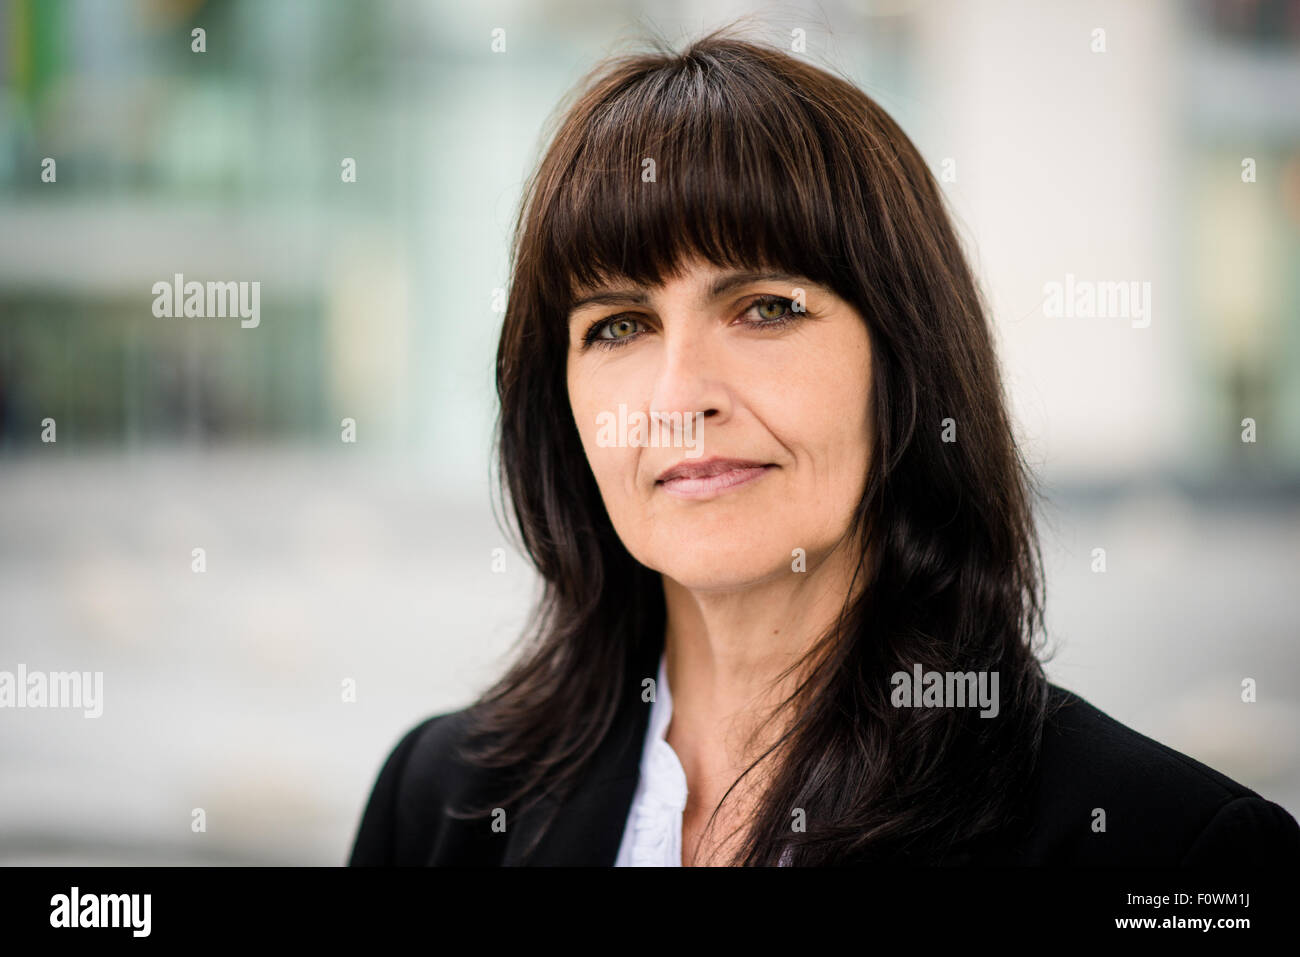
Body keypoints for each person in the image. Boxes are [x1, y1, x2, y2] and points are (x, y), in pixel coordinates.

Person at [348, 28, 1300, 866]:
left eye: (765, 308)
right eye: (619, 325)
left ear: (905, 367)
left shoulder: (1168, 848)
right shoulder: (439, 806)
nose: (679, 398)